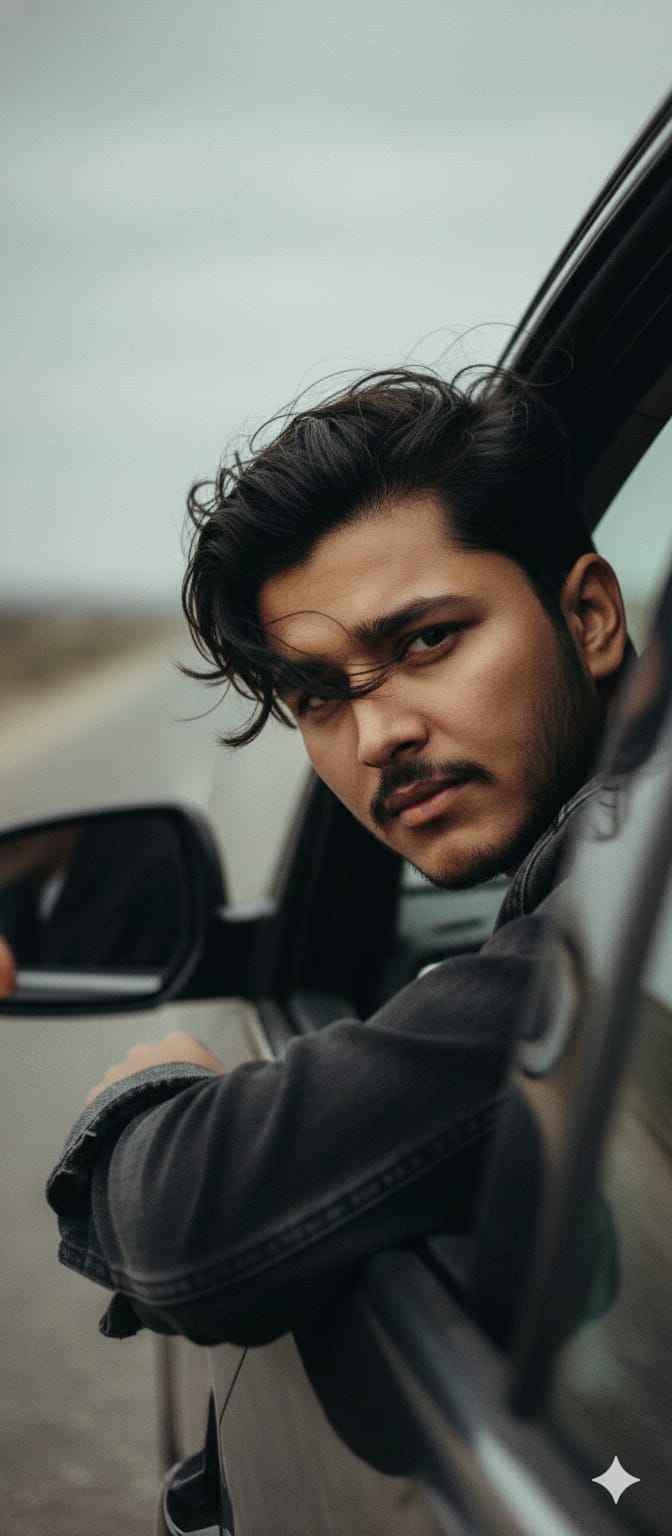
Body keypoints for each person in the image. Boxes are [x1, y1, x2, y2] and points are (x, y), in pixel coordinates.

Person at [46, 367, 630, 1347]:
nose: (375, 739)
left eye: (427, 640)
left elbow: (193, 1229)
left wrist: (147, 1099)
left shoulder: (625, 909)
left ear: (590, 618)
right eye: (318, 699)